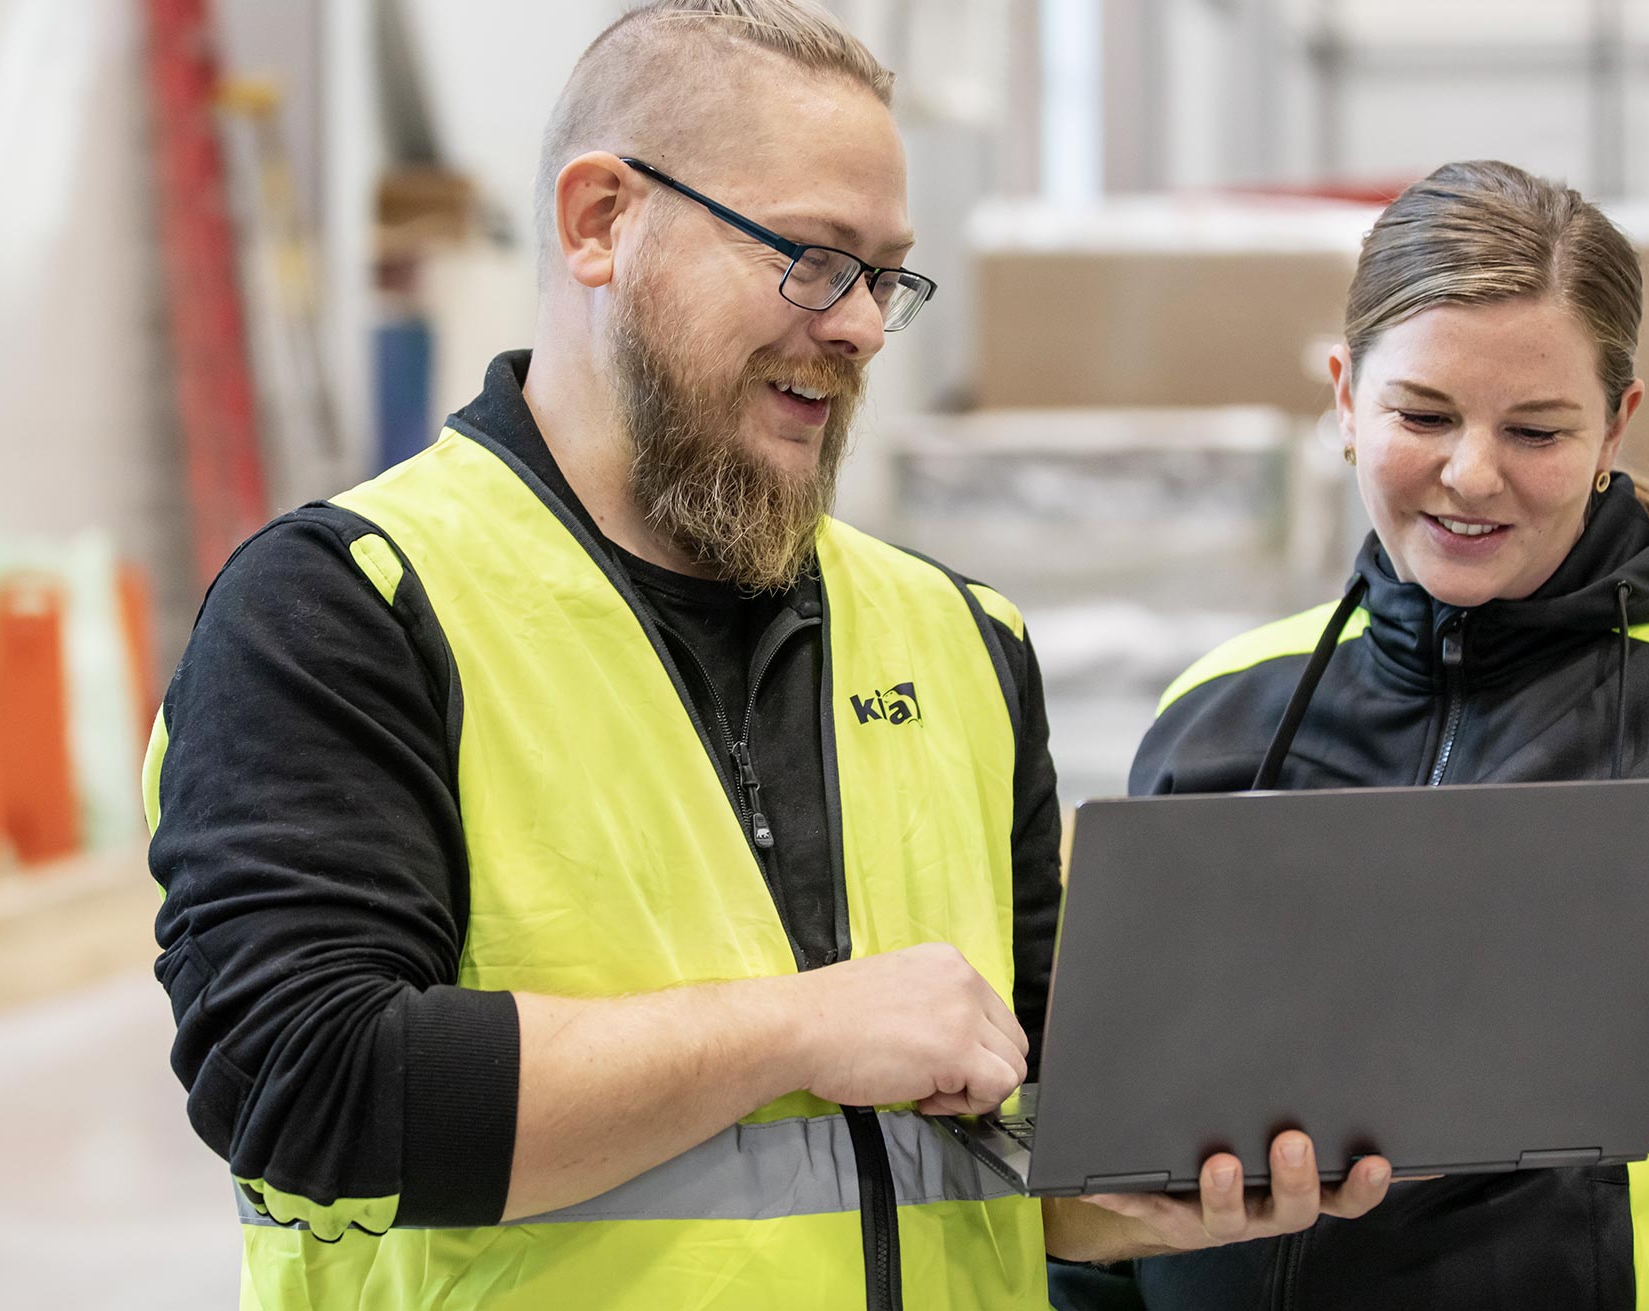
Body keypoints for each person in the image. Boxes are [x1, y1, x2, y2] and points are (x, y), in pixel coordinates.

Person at [142, 3, 1387, 1308]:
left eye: (884, 275)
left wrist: (1144, 1192)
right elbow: (304, 1083)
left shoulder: (959, 637)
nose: (856, 326)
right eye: (810, 257)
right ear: (599, 221)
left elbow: (994, 1134)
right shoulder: (347, 609)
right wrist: (802, 1023)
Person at [1064, 161, 1649, 1309]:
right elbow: (1103, 1190)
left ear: (1617, 424)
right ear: (1344, 398)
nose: (1470, 474)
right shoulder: (1216, 715)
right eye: (1421, 414)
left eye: (1536, 429)